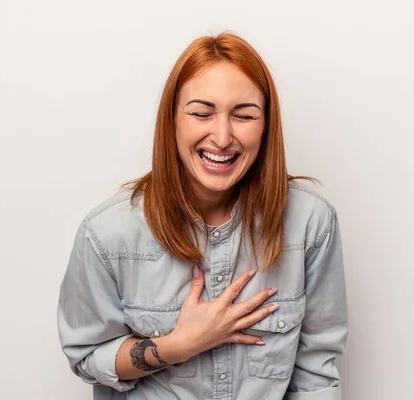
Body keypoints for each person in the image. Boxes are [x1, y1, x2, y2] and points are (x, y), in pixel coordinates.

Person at [57, 32, 348, 400]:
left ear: (266, 125)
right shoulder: (107, 234)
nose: (223, 137)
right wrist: (176, 346)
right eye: (201, 113)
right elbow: (86, 356)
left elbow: (317, 377)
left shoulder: (311, 223)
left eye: (244, 115)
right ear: (173, 120)